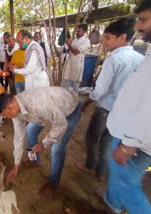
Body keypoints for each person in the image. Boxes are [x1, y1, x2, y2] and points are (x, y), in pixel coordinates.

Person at [77, 17, 144, 181]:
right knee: (108, 141)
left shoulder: (113, 59)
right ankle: (102, 172)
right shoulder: (141, 59)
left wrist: (88, 101)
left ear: (122, 37)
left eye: (107, 37)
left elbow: (100, 90)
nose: (104, 41)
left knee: (92, 137)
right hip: (125, 111)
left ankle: (91, 165)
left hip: (106, 108)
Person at [103, 1, 151, 213]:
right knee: (118, 173)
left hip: (135, 139)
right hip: (125, 129)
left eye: (143, 19)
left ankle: (116, 200)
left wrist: (129, 144)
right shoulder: (144, 54)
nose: (137, 26)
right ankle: (112, 201)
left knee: (126, 184)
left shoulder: (114, 59)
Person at [0, 88, 82, 199]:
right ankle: (35, 160)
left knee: (57, 149)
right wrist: (16, 165)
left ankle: (53, 183)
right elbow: (18, 138)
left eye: (4, 114)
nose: (4, 117)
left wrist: (43, 143)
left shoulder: (38, 104)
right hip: (47, 111)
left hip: (70, 109)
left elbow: (60, 125)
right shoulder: (16, 112)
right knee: (30, 131)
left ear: (10, 107)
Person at [62, 24, 90, 94]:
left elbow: (76, 52)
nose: (77, 33)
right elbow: (71, 48)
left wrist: (69, 44)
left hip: (77, 65)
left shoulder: (86, 41)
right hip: (70, 63)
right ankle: (65, 97)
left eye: (79, 31)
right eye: (76, 31)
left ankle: (75, 100)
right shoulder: (75, 40)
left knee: (75, 84)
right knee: (66, 81)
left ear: (84, 32)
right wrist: (70, 43)